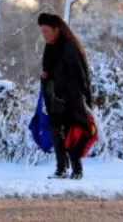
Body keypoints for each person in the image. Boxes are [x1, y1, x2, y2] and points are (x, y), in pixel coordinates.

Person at [38, 12, 93, 179]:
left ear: (56, 30)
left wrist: (80, 96)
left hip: (70, 98)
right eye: (42, 31)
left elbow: (79, 74)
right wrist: (45, 75)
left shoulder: (69, 46)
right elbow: (50, 69)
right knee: (55, 130)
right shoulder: (49, 47)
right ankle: (61, 168)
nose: (44, 35)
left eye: (46, 31)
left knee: (72, 132)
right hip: (53, 97)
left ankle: (77, 170)